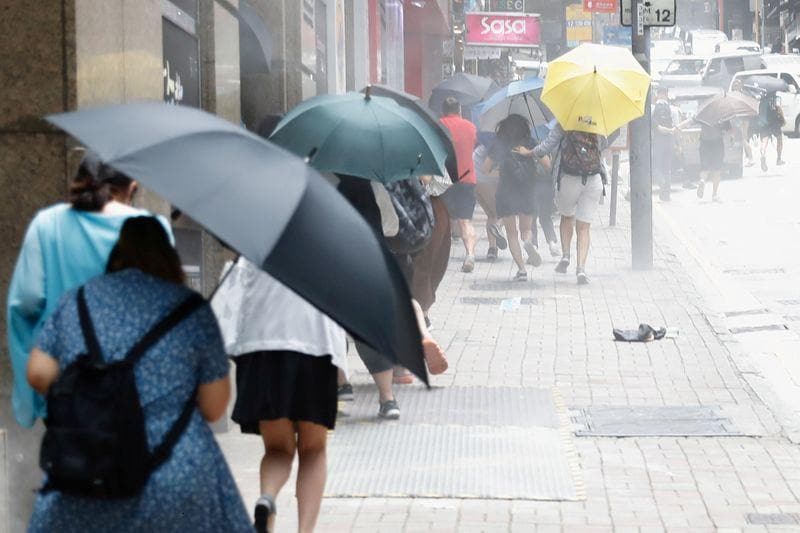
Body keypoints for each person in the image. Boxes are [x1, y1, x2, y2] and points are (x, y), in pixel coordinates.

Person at [26, 217, 251, 532]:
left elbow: (38, 372)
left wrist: (89, 390)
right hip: (175, 473)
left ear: (116, 257)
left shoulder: (77, 301)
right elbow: (214, 407)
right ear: (170, 260)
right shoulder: (190, 309)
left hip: (90, 467)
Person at [7, 151, 171, 428]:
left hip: (65, 383)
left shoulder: (47, 224)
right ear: (132, 187)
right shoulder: (153, 228)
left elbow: (26, 301)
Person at [212, 257, 347, 533]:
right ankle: (304, 530)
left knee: (277, 450)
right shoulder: (327, 251)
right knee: (313, 450)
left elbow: (228, 306)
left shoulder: (254, 250)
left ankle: (267, 498)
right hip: (316, 351)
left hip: (262, 353)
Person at [335, 175, 448, 419]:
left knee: (335, 320)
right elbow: (391, 225)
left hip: (342, 258)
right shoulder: (377, 180)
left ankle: (341, 383)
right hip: (383, 256)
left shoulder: (328, 182)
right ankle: (389, 395)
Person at [517, 123, 607, 285]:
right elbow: (603, 145)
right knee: (584, 226)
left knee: (567, 217)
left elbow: (545, 147)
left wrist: (528, 152)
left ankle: (566, 255)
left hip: (569, 177)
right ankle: (581, 268)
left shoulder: (565, 121)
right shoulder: (597, 120)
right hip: (594, 178)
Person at [482, 114, 549, 281]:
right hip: (527, 190)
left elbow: (485, 169)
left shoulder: (498, 144)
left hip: (506, 191)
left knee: (512, 234)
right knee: (526, 230)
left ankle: (521, 270)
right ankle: (528, 242)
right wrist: (533, 153)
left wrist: (500, 171)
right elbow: (547, 164)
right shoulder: (531, 142)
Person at [439, 97, 479, 273]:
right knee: (465, 221)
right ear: (459, 109)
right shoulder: (470, 127)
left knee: (443, 219)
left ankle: (440, 256)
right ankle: (470, 253)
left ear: (443, 110)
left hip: (445, 179)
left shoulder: (438, 125)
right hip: (467, 178)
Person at [473, 143, 507, 261]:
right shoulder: (496, 144)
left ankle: (492, 249)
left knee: (492, 214)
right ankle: (497, 227)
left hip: (474, 180)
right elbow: (487, 170)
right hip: (482, 179)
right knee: (501, 213)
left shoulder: (485, 142)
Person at [652, 87, 677, 201]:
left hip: (658, 141)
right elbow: (676, 127)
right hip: (669, 141)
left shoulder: (652, 108)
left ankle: (660, 180)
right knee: (667, 167)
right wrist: (677, 143)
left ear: (658, 94)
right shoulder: (673, 109)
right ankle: (666, 195)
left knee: (657, 165)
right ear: (667, 94)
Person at [757, 91, 785, 171]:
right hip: (774, 123)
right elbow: (779, 108)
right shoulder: (775, 98)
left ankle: (763, 155)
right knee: (779, 139)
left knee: (764, 141)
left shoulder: (761, 100)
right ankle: (779, 159)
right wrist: (783, 119)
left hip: (763, 124)